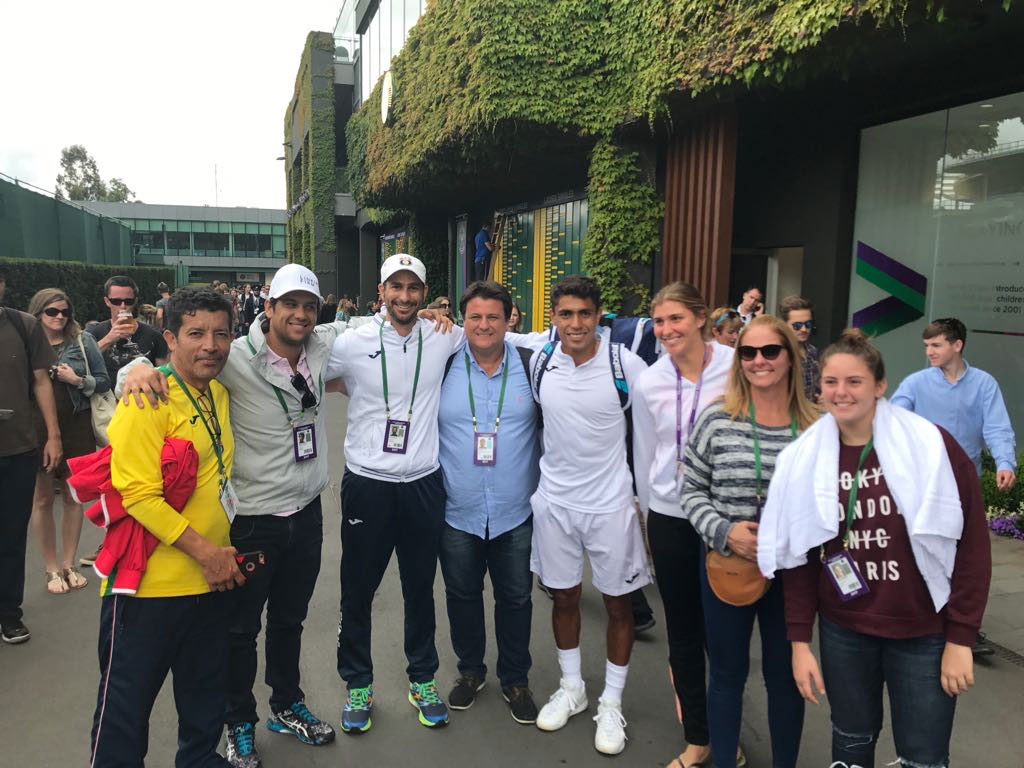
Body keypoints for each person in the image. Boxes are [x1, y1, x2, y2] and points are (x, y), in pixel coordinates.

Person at [119, 265, 347, 767]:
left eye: (309, 306)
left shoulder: (323, 348)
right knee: (240, 631)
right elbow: (173, 368)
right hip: (251, 520)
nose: (300, 315)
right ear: (268, 309)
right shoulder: (234, 357)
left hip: (306, 513)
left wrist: (440, 316)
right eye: (289, 304)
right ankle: (238, 721)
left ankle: (287, 705)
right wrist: (131, 368)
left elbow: (383, 331)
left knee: (291, 619)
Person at [758, 328, 991, 768]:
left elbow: (972, 546)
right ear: (819, 387)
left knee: (923, 756)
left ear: (880, 386)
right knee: (850, 742)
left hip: (923, 630)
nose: (841, 393)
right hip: (845, 629)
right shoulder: (804, 458)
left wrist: (961, 637)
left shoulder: (931, 445)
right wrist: (799, 642)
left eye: (854, 382)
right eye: (830, 382)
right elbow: (802, 561)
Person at [89, 288, 245, 767]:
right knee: (125, 712)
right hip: (147, 591)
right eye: (196, 333)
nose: (210, 345)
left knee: (203, 704)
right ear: (170, 339)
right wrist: (209, 553)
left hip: (209, 585)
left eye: (221, 334)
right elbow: (138, 496)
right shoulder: (147, 396)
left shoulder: (217, 393)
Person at [326, 253, 471, 733]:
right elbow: (291, 355)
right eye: (397, 287)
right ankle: (359, 685)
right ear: (382, 291)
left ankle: (422, 678)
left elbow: (501, 335)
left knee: (419, 588)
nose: (405, 297)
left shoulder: (444, 335)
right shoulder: (352, 341)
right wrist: (142, 363)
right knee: (358, 590)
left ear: (425, 294)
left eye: (414, 289)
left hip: (423, 483)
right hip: (368, 483)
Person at [679, 315, 818, 768]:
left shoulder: (816, 427)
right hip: (728, 565)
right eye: (748, 352)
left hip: (792, 572)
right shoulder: (718, 418)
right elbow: (690, 489)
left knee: (783, 678)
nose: (759, 361)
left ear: (790, 358)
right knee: (726, 674)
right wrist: (724, 532)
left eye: (770, 351)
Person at [528, 276, 651, 756]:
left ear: (600, 315)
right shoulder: (541, 361)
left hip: (611, 506)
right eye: (566, 314)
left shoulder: (626, 364)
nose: (575, 323)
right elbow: (482, 333)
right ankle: (573, 688)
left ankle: (612, 701)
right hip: (555, 504)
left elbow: (665, 413)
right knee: (564, 598)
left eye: (584, 313)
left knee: (619, 606)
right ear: (554, 318)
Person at [631, 282, 739, 768]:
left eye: (676, 318)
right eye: (659, 322)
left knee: (726, 632)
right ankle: (698, 737)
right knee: (683, 631)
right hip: (672, 517)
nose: (667, 330)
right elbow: (646, 453)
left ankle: (729, 732)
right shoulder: (650, 381)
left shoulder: (737, 367)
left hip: (725, 519)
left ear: (700, 318)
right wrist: (648, 515)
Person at [436, 281, 541, 724]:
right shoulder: (440, 362)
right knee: (462, 595)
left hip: (515, 509)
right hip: (457, 509)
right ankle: (470, 671)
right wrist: (426, 314)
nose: (483, 325)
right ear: (463, 320)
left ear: (509, 319)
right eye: (474, 317)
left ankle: (516, 678)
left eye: (493, 317)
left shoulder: (531, 364)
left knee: (516, 598)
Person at [27, 289, 110, 595]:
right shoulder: (28, 342)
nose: (60, 316)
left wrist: (77, 380)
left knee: (74, 496)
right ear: (38, 314)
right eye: (52, 311)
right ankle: (51, 568)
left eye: (64, 311)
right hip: (36, 426)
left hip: (77, 425)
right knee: (43, 498)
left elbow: (103, 380)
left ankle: (69, 563)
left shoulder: (82, 340)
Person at [0, 270, 62, 644]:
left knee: (10, 535)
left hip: (19, 447)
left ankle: (9, 613)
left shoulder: (23, 326)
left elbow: (42, 381)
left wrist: (52, 436)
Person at [891, 317, 1016, 486]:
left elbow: (997, 429)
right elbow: (891, 422)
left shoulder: (984, 383)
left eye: (936, 345)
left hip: (966, 479)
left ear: (957, 345)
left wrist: (1005, 464)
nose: (929, 352)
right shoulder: (914, 383)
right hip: (922, 480)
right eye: (926, 345)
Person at [86, 275, 168, 382]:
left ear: (135, 301)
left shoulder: (154, 335)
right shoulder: (94, 332)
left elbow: (163, 375)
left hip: (141, 396)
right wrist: (108, 339)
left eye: (128, 301)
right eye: (116, 301)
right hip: (106, 397)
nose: (123, 306)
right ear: (107, 301)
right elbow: (81, 362)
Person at [778, 296, 820, 402]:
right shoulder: (776, 354)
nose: (804, 329)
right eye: (797, 325)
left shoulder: (813, 351)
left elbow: (815, 388)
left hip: (809, 414)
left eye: (808, 324)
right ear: (784, 325)